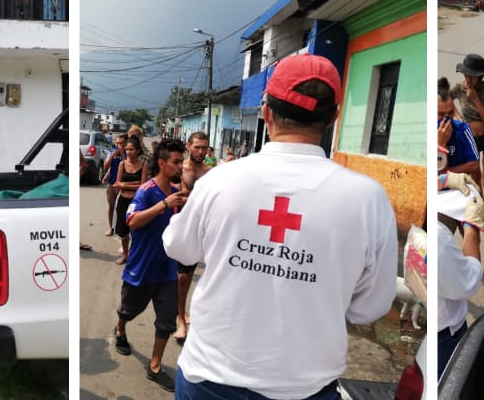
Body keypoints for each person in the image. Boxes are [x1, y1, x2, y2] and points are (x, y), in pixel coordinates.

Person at [162, 54, 397, 400]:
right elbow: (370, 307)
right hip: (304, 387)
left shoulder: (221, 180)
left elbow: (179, 248)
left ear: (266, 112)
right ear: (333, 117)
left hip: (209, 378)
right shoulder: (368, 199)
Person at [114, 137, 188, 391]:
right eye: (176, 162)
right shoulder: (147, 191)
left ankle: (155, 365)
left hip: (167, 269)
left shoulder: (178, 192)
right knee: (129, 310)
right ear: (161, 163)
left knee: (166, 321)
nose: (180, 167)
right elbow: (132, 221)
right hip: (141, 268)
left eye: (182, 161)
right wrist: (163, 205)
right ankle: (120, 328)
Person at [436, 142, 484, 377]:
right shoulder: (439, 241)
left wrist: (445, 180)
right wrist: (471, 229)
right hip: (443, 333)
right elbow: (468, 282)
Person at [450, 53, 484, 236]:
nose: (467, 79)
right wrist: (456, 115)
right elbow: (444, 100)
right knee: (475, 180)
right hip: (469, 140)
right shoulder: (458, 88)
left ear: (480, 76)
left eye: (471, 76)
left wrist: (475, 99)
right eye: (465, 75)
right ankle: (478, 209)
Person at [175, 131, 211, 345]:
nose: (200, 151)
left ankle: (181, 316)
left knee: (185, 276)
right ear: (188, 146)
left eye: (204, 147)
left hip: (199, 230)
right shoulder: (180, 168)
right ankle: (178, 313)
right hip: (177, 225)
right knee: (173, 276)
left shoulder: (210, 173)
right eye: (197, 146)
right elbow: (177, 196)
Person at [113, 135, 148, 265]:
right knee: (123, 230)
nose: (128, 152)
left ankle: (136, 256)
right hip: (123, 200)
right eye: (127, 149)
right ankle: (126, 255)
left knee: (137, 231)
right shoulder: (122, 164)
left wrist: (125, 185)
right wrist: (134, 183)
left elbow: (143, 186)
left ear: (138, 150)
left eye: (131, 149)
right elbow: (117, 183)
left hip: (137, 202)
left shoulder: (143, 165)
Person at [437, 77, 480, 178]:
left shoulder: (463, 129)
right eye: (441, 114)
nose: (447, 118)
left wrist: (444, 174)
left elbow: (474, 165)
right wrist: (441, 144)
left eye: (451, 112)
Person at [102, 133, 128, 236]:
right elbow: (106, 166)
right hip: (112, 183)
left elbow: (127, 166)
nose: (119, 146)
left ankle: (122, 229)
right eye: (117, 143)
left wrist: (122, 153)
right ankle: (111, 227)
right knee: (111, 206)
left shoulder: (128, 153)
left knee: (122, 208)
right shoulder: (112, 152)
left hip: (123, 184)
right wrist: (113, 155)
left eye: (121, 143)